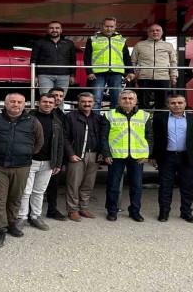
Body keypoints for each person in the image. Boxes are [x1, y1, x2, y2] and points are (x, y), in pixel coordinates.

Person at [0, 93, 43, 247]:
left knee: (15, 197)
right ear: (5, 104)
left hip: (21, 166)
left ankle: (11, 224)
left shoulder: (33, 121)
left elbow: (39, 142)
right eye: (12, 101)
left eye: (19, 102)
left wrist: (25, 153)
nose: (16, 104)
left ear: (24, 105)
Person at [148, 94, 193, 223]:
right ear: (168, 105)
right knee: (165, 186)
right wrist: (152, 155)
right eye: (173, 103)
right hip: (166, 157)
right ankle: (164, 212)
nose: (177, 105)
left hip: (187, 156)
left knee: (187, 186)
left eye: (180, 102)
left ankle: (186, 212)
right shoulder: (159, 119)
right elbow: (154, 139)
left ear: (185, 104)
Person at [17, 93, 64, 231]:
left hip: (48, 162)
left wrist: (58, 163)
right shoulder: (28, 118)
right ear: (39, 103)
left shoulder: (57, 121)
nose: (48, 104)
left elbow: (60, 144)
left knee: (39, 191)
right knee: (26, 191)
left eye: (51, 102)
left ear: (55, 105)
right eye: (45, 102)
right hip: (30, 161)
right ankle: (22, 217)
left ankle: (35, 217)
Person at [103, 90, 152, 222]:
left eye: (130, 99)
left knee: (136, 186)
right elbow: (103, 136)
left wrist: (147, 154)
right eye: (124, 98)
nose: (127, 101)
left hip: (137, 156)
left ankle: (135, 211)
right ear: (118, 100)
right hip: (116, 156)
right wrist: (106, 153)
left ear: (136, 101)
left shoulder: (145, 115)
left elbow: (150, 136)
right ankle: (112, 211)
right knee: (113, 185)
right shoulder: (109, 115)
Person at [64, 92, 108, 221]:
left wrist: (101, 152)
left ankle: (83, 207)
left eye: (89, 102)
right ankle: (72, 210)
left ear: (93, 103)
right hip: (76, 155)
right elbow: (64, 137)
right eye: (83, 101)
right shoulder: (70, 117)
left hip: (94, 155)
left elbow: (102, 137)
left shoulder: (98, 118)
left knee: (88, 184)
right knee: (73, 184)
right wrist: (70, 154)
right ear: (78, 102)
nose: (87, 104)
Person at [84, 17, 135, 112]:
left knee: (116, 100)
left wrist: (130, 71)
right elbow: (86, 57)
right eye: (106, 26)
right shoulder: (92, 39)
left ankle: (113, 122)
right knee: (96, 100)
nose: (109, 28)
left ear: (115, 27)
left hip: (116, 72)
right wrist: (89, 72)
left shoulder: (121, 39)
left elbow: (126, 57)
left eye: (111, 26)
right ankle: (95, 124)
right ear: (102, 26)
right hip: (98, 73)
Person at [131, 24, 178, 110]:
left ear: (162, 32)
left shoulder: (168, 45)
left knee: (162, 104)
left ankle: (159, 123)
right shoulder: (139, 45)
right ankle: (144, 123)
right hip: (144, 77)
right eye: (152, 30)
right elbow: (133, 62)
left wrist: (173, 75)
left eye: (157, 30)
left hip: (163, 77)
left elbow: (173, 62)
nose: (155, 32)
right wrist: (134, 74)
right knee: (143, 102)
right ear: (148, 33)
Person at [31, 21, 77, 96]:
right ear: (47, 30)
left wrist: (73, 75)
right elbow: (34, 59)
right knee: (46, 97)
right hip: (45, 75)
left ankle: (59, 109)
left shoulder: (69, 43)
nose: (54, 30)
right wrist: (35, 76)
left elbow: (73, 60)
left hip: (64, 75)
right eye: (51, 28)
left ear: (61, 30)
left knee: (60, 99)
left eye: (57, 28)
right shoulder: (40, 42)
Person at [45, 86, 68, 221]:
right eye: (55, 95)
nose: (58, 98)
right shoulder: (35, 115)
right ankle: (30, 212)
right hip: (39, 156)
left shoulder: (62, 116)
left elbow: (64, 138)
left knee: (54, 184)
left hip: (56, 156)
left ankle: (52, 210)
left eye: (60, 96)